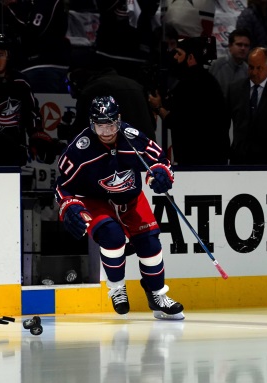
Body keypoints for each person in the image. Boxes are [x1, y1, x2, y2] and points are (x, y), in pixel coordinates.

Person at [54, 95, 185, 320]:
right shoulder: (79, 150)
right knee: (112, 237)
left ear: (119, 120)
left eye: (111, 125)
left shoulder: (132, 137)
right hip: (95, 200)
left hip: (130, 198)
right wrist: (69, 206)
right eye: (100, 126)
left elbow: (159, 159)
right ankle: (116, 288)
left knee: (150, 244)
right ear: (91, 124)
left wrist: (162, 173)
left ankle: (157, 294)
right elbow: (61, 187)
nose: (106, 132)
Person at [148, 37, 230, 165]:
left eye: (179, 53)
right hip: (215, 159)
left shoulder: (188, 84)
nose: (175, 57)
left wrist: (158, 107)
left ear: (191, 58)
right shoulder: (210, 81)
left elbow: (174, 121)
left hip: (195, 161)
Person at [0, 34, 56, 167]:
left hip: (13, 151)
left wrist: (37, 136)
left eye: (0, 55)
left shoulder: (21, 82)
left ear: (8, 56)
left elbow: (31, 113)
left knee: (9, 185)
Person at [67, 67, 157, 140]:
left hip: (121, 153)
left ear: (75, 85)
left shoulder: (91, 90)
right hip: (147, 148)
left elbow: (81, 131)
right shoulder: (136, 85)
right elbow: (153, 124)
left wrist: (69, 132)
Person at [209, 28, 252, 99]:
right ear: (230, 46)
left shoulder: (247, 70)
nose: (243, 48)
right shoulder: (216, 65)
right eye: (239, 44)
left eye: (246, 45)